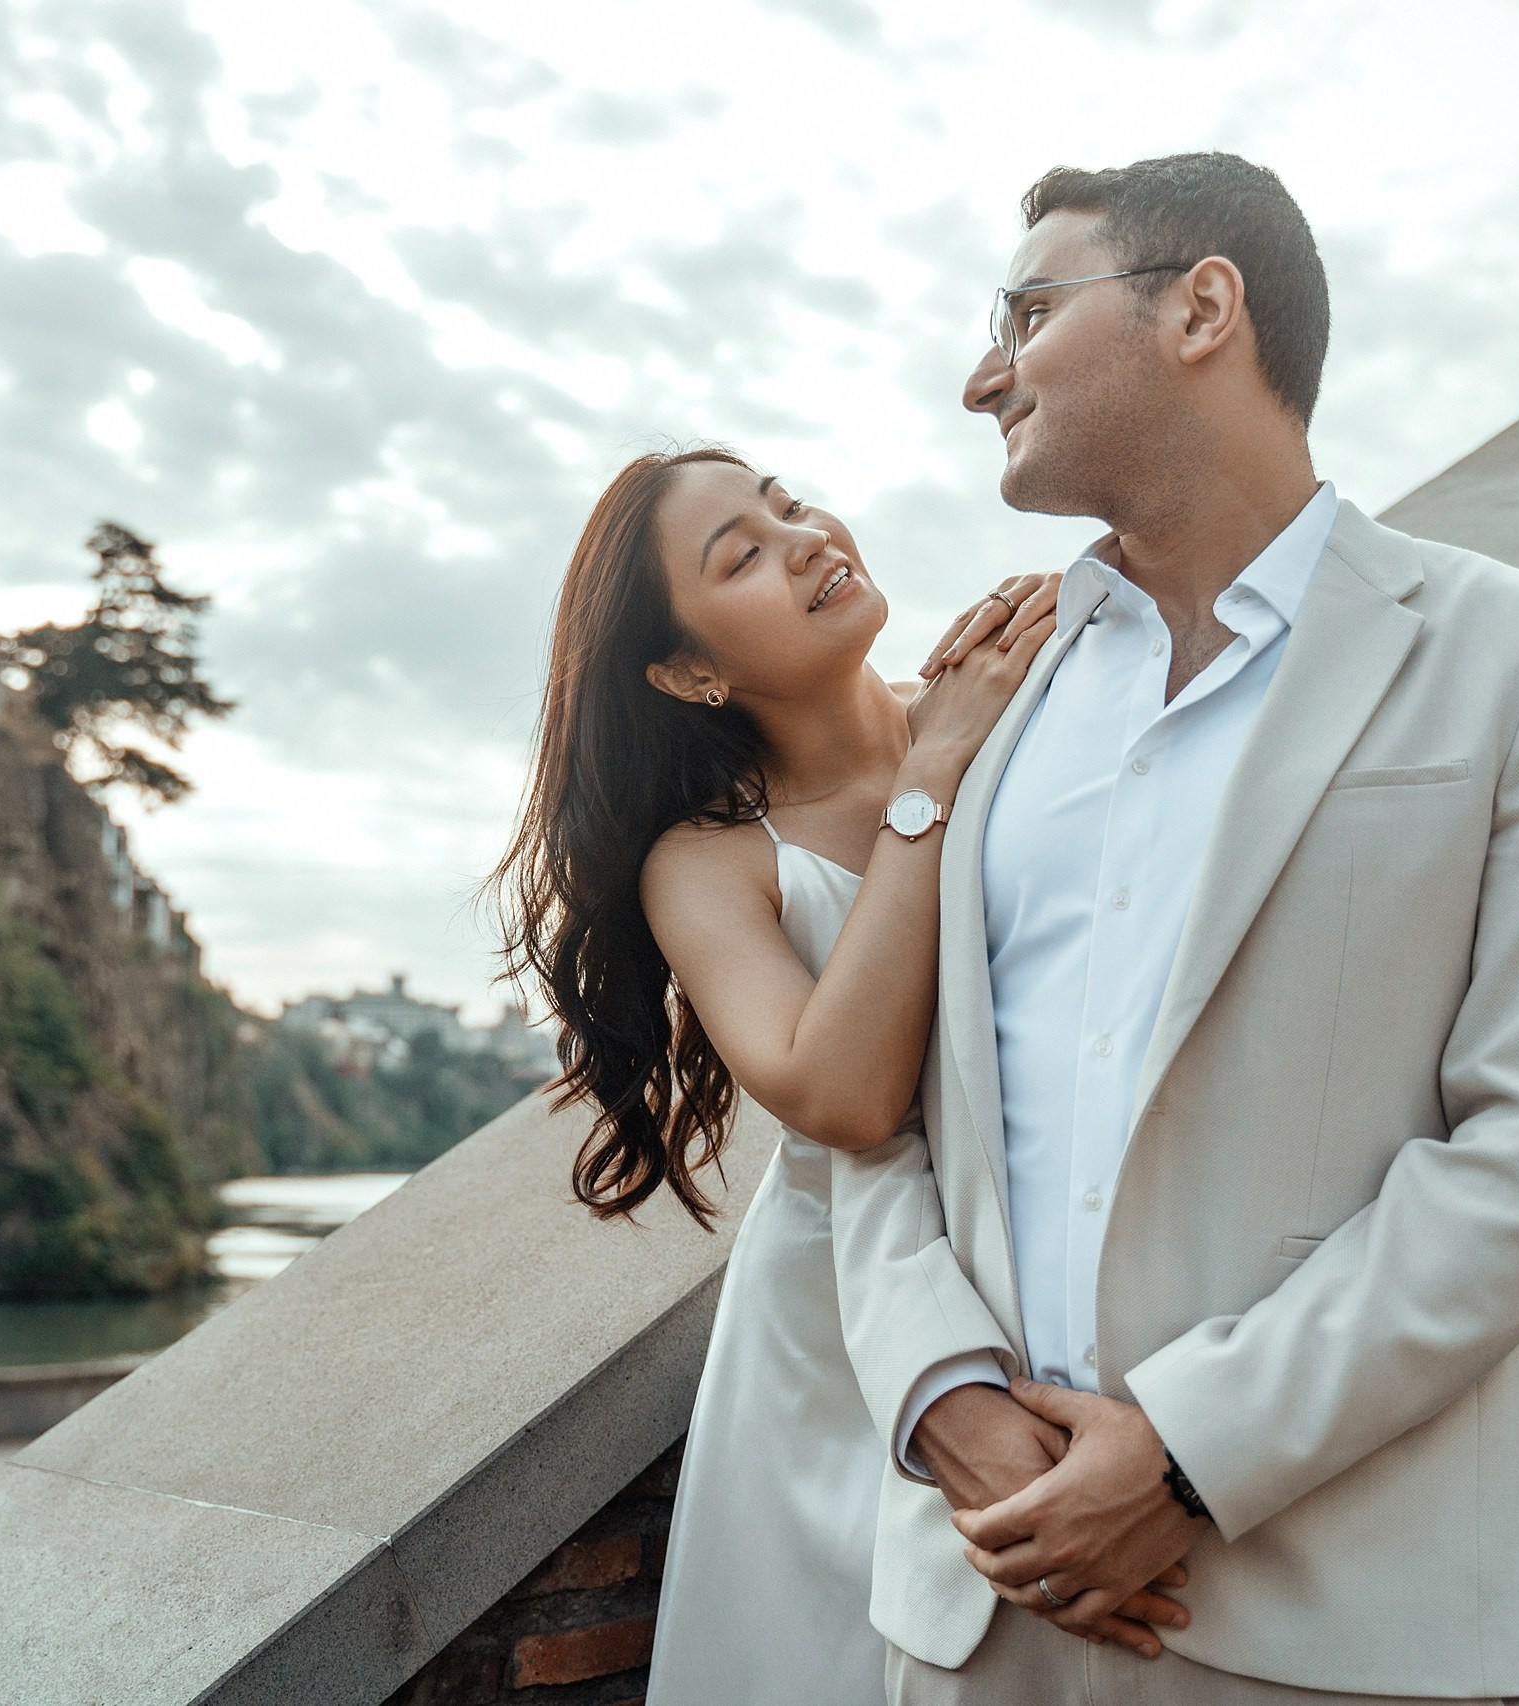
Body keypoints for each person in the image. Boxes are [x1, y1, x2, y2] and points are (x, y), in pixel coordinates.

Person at [835, 153, 1519, 1703]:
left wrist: (1190, 1450)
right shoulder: (976, 701)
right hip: (973, 1604)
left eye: (1024, 311)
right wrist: (939, 1389)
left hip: (1332, 1620)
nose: (978, 375)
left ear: (1203, 307)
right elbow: (876, 1108)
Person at [493, 449, 1193, 1706]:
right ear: (689, 670)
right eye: (741, 553)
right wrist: (928, 776)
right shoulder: (705, 863)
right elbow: (844, 1094)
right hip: (831, 1332)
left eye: (788, 502)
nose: (803, 537)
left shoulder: (1019, 686)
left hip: (1050, 1243)